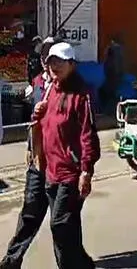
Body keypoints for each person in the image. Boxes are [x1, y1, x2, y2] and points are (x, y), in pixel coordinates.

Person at [32, 42, 100, 269]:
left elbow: (88, 135)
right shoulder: (52, 89)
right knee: (67, 228)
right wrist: (38, 113)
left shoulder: (81, 95)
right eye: (52, 62)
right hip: (51, 170)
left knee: (60, 226)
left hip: (70, 174)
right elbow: (46, 126)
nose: (54, 67)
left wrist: (86, 171)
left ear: (72, 64)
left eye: (60, 62)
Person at [0, 37, 58, 269]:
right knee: (29, 213)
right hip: (38, 161)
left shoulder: (72, 87)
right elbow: (34, 122)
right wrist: (29, 147)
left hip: (61, 165)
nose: (47, 61)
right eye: (44, 56)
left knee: (63, 222)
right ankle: (12, 260)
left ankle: (74, 261)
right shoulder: (36, 82)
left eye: (51, 56)